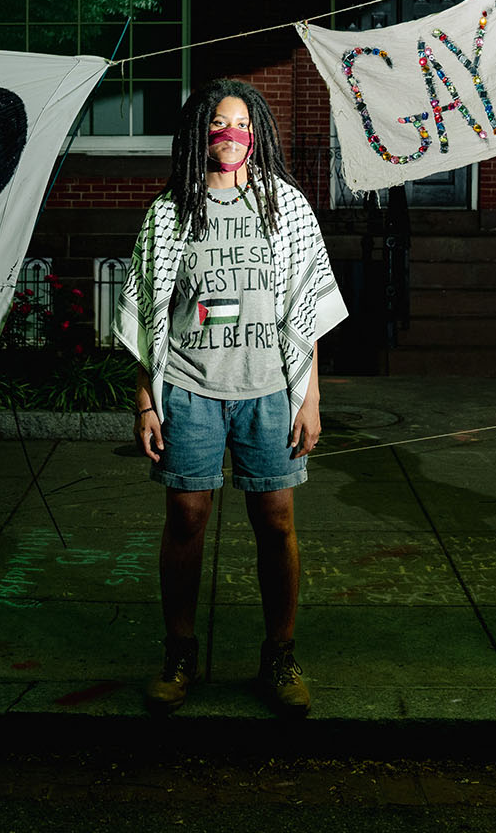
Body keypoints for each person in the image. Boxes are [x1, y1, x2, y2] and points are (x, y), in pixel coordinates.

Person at [115, 78, 348, 716]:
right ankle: (180, 651)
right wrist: (144, 400)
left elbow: (307, 306)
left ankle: (280, 654)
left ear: (258, 134)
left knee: (275, 521)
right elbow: (146, 320)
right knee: (186, 518)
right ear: (200, 133)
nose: (232, 135)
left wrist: (311, 399)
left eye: (243, 124)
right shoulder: (169, 212)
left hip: (270, 390)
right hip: (189, 389)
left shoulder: (286, 208)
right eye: (219, 123)